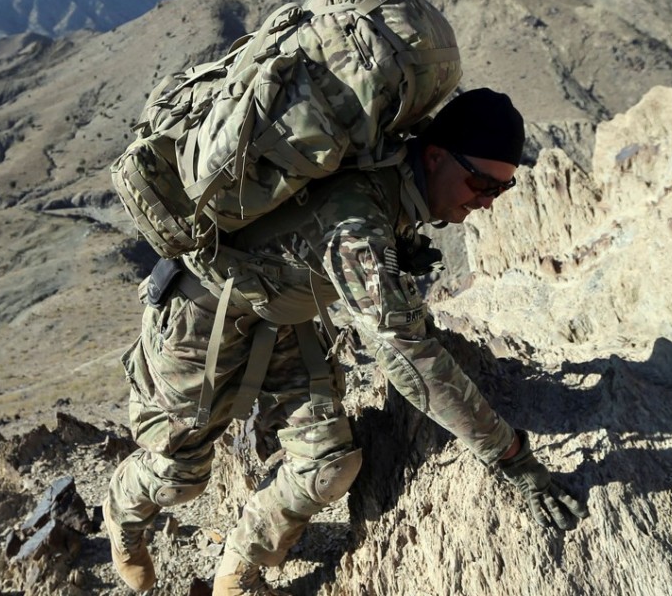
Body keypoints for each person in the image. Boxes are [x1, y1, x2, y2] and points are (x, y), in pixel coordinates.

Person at [103, 88, 589, 595]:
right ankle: (121, 513)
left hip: (283, 317)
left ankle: (240, 567)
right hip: (202, 314)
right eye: (480, 182)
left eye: (500, 190)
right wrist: (510, 457)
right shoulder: (357, 219)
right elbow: (409, 359)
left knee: (330, 464)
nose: (486, 201)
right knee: (178, 475)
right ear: (436, 156)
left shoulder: (397, 185)